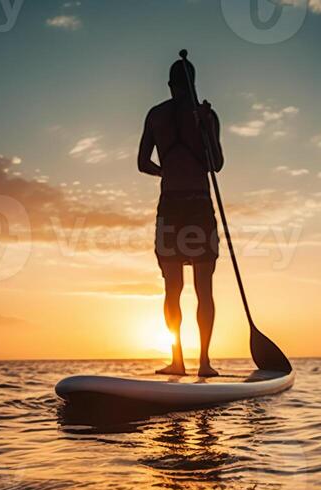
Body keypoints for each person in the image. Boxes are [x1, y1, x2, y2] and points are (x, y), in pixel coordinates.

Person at [138, 58, 224, 377]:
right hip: (196, 204)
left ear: (173, 85)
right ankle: (196, 363)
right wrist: (204, 128)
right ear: (191, 84)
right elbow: (215, 162)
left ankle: (191, 362)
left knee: (180, 288)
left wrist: (168, 172)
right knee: (193, 288)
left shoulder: (157, 115)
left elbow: (144, 163)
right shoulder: (205, 115)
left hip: (174, 205)